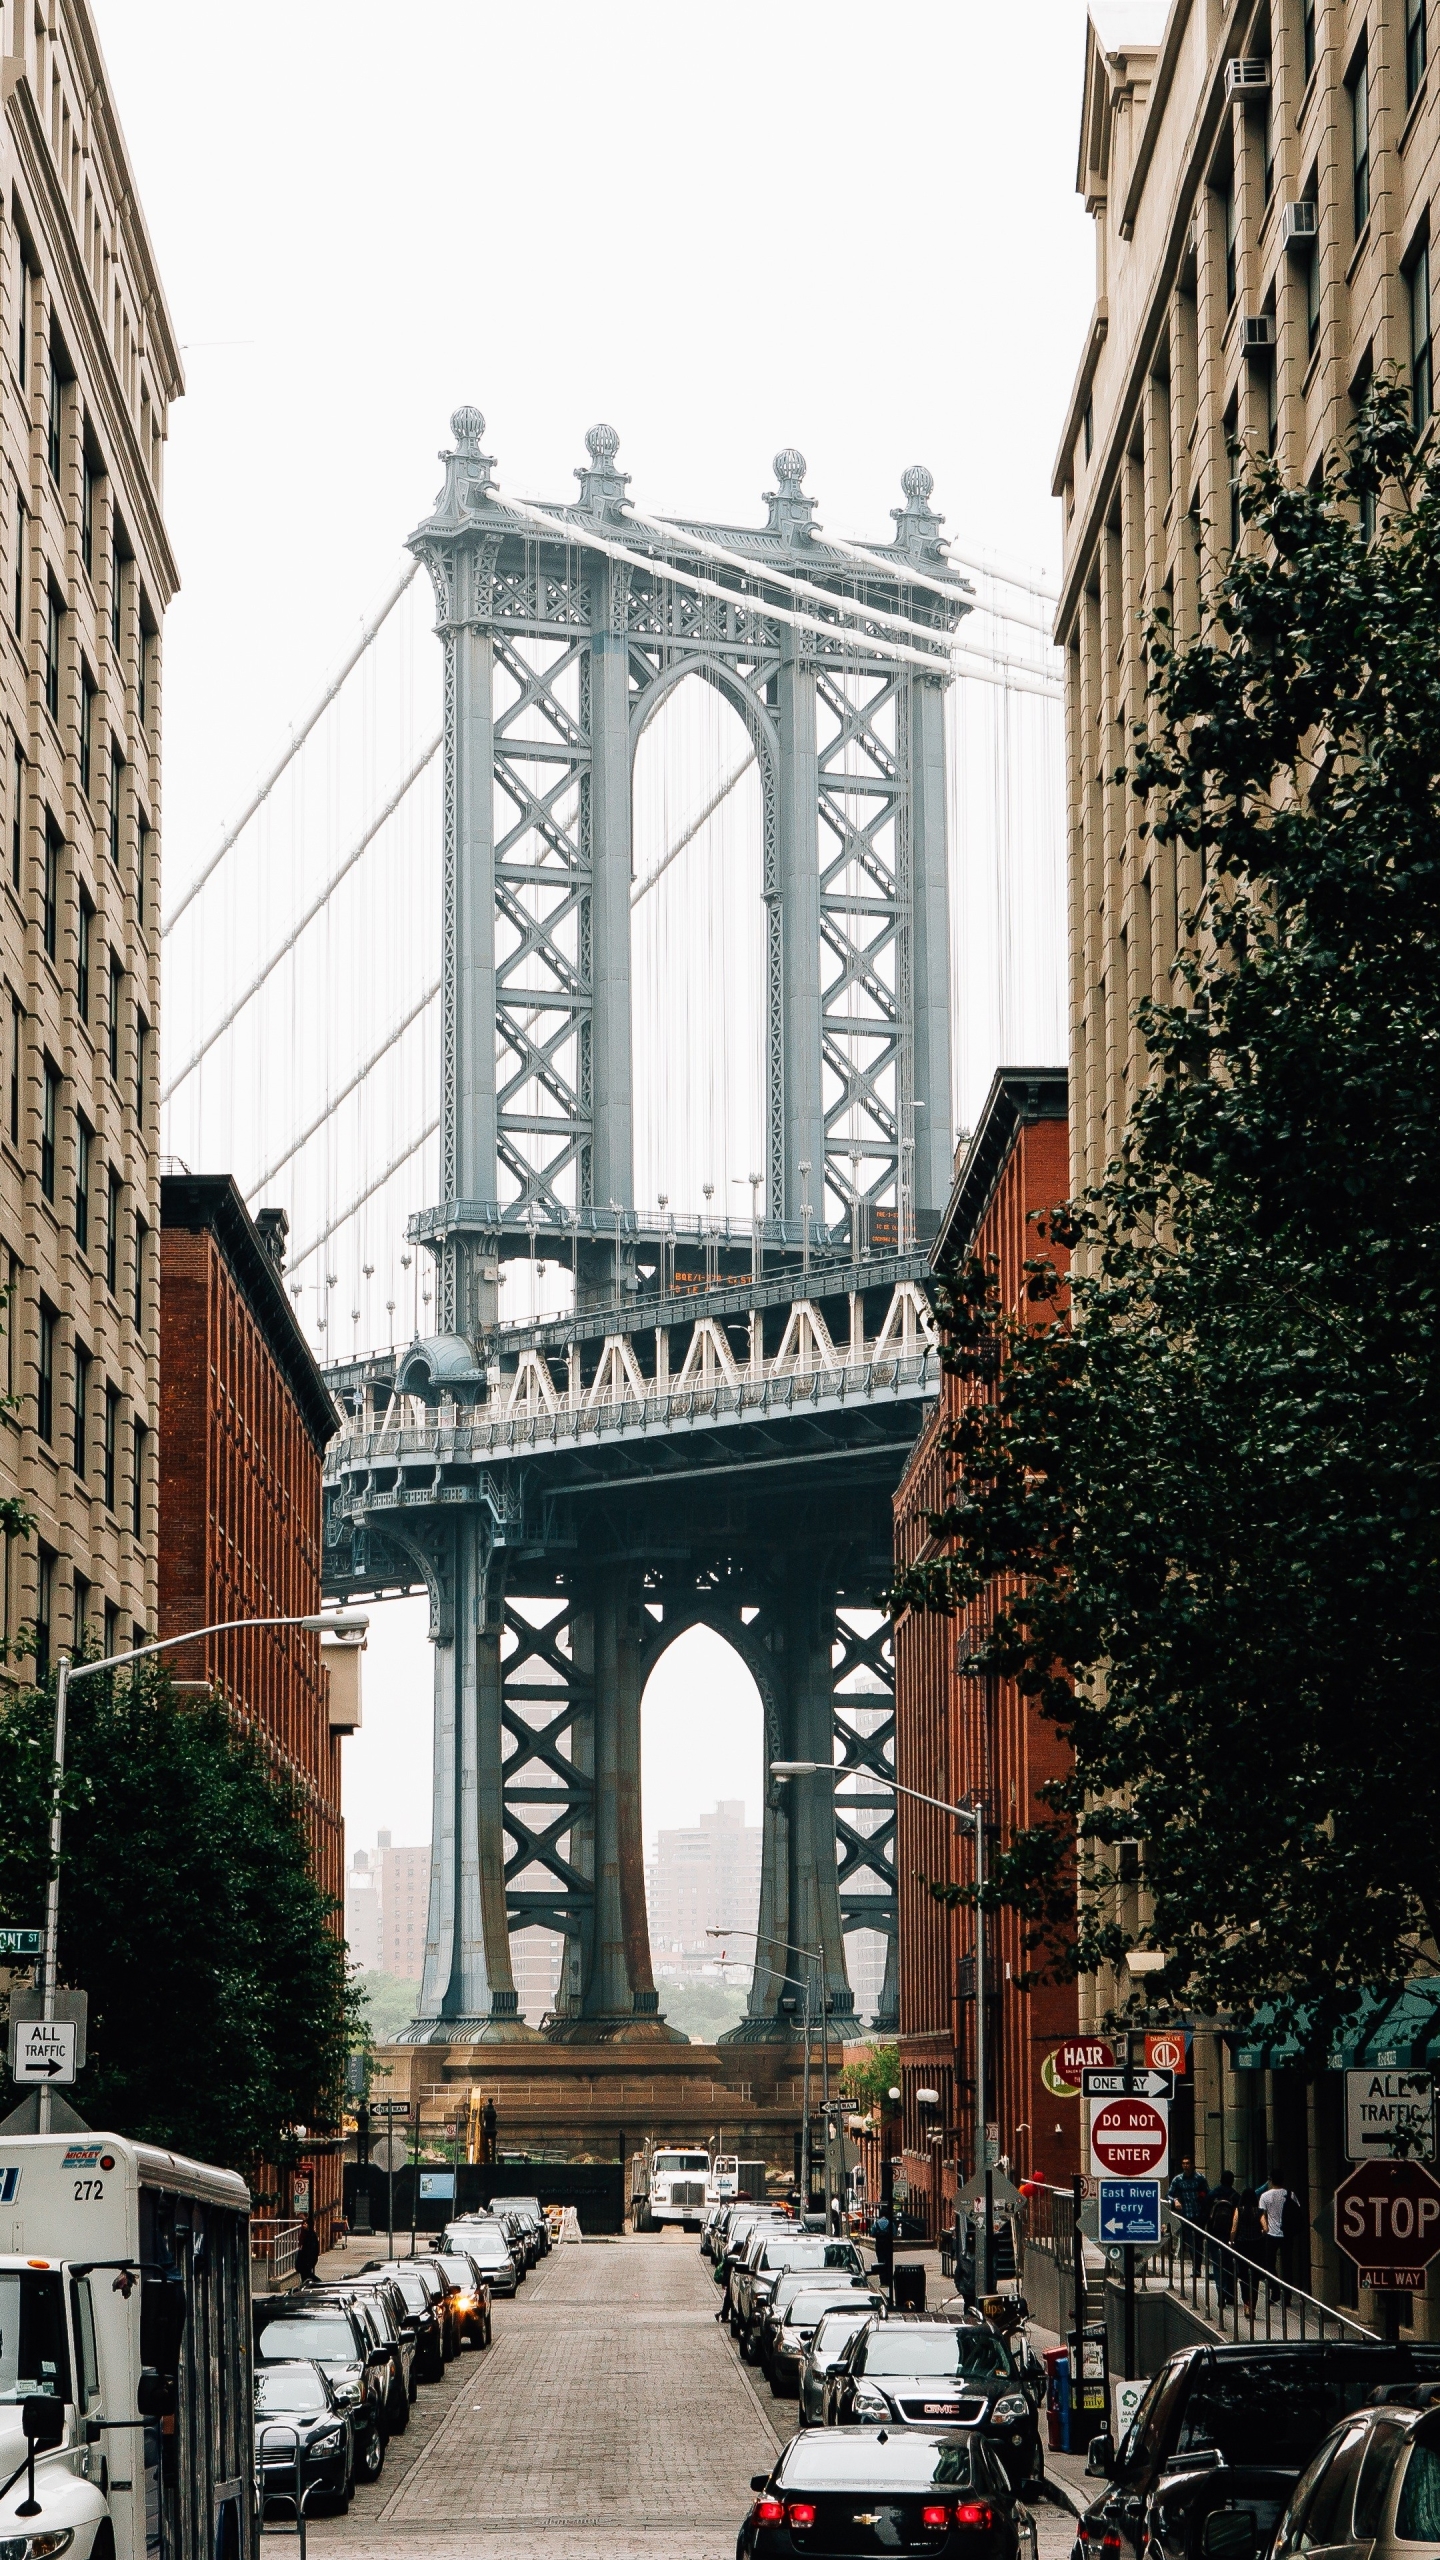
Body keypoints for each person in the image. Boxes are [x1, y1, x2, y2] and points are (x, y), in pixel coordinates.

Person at [1168, 2157, 1210, 2273]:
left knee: (1199, 2241)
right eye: (1183, 2163)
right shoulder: (1178, 2179)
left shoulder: (1200, 2179)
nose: (1185, 2166)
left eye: (1188, 2163)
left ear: (1192, 2165)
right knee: (1191, 2242)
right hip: (1186, 2215)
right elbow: (1169, 2195)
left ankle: (1197, 2267)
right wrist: (1175, 2200)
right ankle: (1195, 2267)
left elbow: (1208, 2193)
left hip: (1198, 2214)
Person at [1207, 2170, 1239, 2308]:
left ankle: (1221, 2292)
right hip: (1230, 2235)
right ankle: (1231, 2295)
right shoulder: (1235, 2196)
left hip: (1214, 2234)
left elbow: (1206, 2213)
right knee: (1230, 2264)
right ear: (1232, 2181)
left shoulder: (1213, 2194)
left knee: (1217, 2264)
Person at [1233, 2188, 1266, 2310]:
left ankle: (1246, 2302)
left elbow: (1234, 2228)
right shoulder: (1259, 2212)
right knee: (1255, 2277)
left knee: (1243, 2275)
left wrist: (1232, 2240)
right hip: (1256, 2246)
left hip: (1242, 2246)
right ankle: (1253, 2304)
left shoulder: (1239, 2210)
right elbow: (1266, 2228)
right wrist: (1261, 2233)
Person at [1257, 2175, 1290, 2278]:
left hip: (1271, 2233)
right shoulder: (1290, 2194)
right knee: (1287, 2264)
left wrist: (1264, 2228)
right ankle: (1287, 2291)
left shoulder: (1265, 2196)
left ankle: (1274, 2289)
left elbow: (1262, 2214)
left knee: (1270, 2263)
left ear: (1271, 2181)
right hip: (1286, 2233)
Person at [871, 2200, 896, 2302]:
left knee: (880, 2262)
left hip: (879, 2245)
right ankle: (889, 2279)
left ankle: (882, 2281)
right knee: (888, 2261)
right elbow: (894, 2233)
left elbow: (872, 2233)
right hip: (888, 2245)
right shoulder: (890, 2223)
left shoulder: (876, 2223)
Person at [295, 2220, 321, 2284]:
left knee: (307, 2274)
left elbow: (313, 2248)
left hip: (307, 2259)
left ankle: (319, 2283)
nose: (304, 2225)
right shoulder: (303, 2233)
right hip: (303, 2259)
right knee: (305, 2275)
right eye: (303, 2224)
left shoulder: (311, 2235)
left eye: (305, 2224)